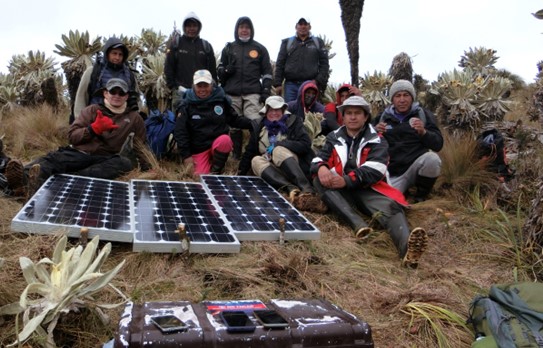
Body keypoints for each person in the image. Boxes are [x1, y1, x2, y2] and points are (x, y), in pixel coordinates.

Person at [311, 96, 428, 268]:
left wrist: (346, 180)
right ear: (342, 116)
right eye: (348, 113)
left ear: (365, 117)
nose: (352, 117)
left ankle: (408, 251)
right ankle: (358, 224)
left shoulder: (377, 140)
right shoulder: (333, 137)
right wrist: (321, 168)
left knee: (391, 208)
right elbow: (318, 159)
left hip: (368, 188)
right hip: (339, 189)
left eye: (357, 113)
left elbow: (375, 169)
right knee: (319, 181)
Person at [5, 78, 151, 197]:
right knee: (52, 159)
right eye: (113, 91)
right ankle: (20, 182)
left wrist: (149, 168)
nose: (117, 95)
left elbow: (141, 145)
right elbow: (72, 137)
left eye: (121, 93)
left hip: (106, 158)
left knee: (124, 163)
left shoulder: (134, 118)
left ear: (126, 96)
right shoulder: (91, 110)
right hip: (80, 153)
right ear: (105, 93)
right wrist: (92, 129)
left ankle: (68, 180)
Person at [238, 96, 326, 213]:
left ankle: (306, 189)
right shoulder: (259, 127)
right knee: (255, 160)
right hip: (275, 170)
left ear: (283, 110)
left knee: (278, 150)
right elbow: (249, 151)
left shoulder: (294, 122)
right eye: (271, 110)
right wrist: (239, 175)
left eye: (277, 110)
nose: (274, 113)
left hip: (296, 165)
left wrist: (281, 144)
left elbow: (305, 145)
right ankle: (290, 188)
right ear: (266, 111)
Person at [374, 80, 443, 202]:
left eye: (406, 95)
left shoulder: (424, 115)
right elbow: (365, 145)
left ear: (412, 97)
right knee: (388, 201)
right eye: (398, 96)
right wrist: (374, 132)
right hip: (392, 172)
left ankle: (420, 196)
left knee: (432, 159)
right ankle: (403, 191)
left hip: (415, 167)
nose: (402, 100)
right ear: (392, 99)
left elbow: (438, 144)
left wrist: (424, 133)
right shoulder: (382, 118)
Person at [174, 69, 252, 177]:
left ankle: (216, 170)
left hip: (216, 146)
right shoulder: (185, 105)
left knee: (225, 140)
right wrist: (186, 156)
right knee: (199, 177)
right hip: (197, 149)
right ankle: (205, 164)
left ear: (212, 85)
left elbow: (234, 119)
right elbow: (180, 132)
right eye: (199, 86)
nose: (202, 89)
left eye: (206, 85)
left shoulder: (221, 100)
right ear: (193, 86)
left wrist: (253, 123)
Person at [217, 16, 273, 160]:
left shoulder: (260, 48)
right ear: (237, 30)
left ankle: (253, 155)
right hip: (232, 93)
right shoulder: (228, 48)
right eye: (241, 27)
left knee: (256, 123)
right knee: (232, 125)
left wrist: (266, 91)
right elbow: (220, 71)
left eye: (247, 27)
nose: (244, 30)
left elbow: (267, 72)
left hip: (253, 93)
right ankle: (235, 157)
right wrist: (226, 71)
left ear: (251, 30)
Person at [73, 37, 138, 123]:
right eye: (114, 53)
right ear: (107, 53)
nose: (117, 57)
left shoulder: (129, 75)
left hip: (122, 123)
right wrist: (80, 120)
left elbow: (136, 99)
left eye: (120, 54)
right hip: (95, 121)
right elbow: (81, 97)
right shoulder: (93, 71)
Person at [165, 11, 217, 110]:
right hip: (180, 92)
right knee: (179, 122)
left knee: (202, 122)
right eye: (188, 26)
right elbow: (169, 67)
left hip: (202, 93)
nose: (191, 29)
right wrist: (174, 87)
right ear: (184, 27)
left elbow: (212, 72)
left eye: (194, 26)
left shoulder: (206, 46)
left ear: (199, 28)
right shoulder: (176, 44)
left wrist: (212, 89)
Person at [273, 18, 329, 103]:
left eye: (305, 24)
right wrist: (278, 84)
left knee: (308, 112)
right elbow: (280, 63)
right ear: (296, 26)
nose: (303, 27)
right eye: (300, 24)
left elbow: (324, 64)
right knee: (290, 112)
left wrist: (317, 81)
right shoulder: (287, 42)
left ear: (309, 27)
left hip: (309, 85)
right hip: (290, 85)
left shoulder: (318, 42)